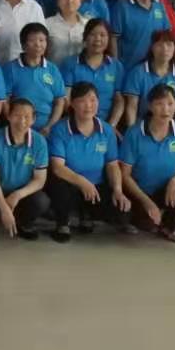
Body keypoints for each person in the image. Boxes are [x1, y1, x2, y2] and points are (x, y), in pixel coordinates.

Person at [47, 82, 133, 240]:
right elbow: (58, 167)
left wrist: (118, 190)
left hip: (96, 185)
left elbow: (112, 165)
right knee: (58, 185)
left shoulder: (106, 130)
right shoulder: (60, 129)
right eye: (82, 101)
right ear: (72, 104)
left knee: (121, 212)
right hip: (70, 184)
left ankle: (87, 215)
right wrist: (83, 182)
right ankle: (62, 223)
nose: (88, 105)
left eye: (93, 100)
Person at [118, 85, 175, 243]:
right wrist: (146, 202)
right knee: (142, 222)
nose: (165, 109)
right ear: (150, 106)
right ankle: (137, 219)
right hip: (138, 192)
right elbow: (125, 175)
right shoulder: (134, 133)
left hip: (166, 190)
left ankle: (168, 227)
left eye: (170, 104)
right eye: (159, 104)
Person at [0, 97, 51, 240]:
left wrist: (17, 195)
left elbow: (40, 180)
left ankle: (24, 223)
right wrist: (4, 209)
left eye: (27, 117)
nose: (22, 121)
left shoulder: (39, 142)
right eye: (17, 115)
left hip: (22, 192)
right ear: (8, 116)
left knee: (41, 202)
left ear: (33, 119)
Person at [118, 29, 175, 129]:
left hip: (169, 126)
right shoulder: (137, 72)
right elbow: (132, 106)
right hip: (143, 125)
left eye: (169, 45)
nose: (165, 49)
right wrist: (133, 132)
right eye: (160, 45)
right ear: (152, 47)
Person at [4, 22, 66, 134]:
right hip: (18, 126)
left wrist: (49, 126)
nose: (38, 44)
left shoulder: (52, 69)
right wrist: (15, 124)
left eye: (42, 40)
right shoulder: (10, 68)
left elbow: (59, 102)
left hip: (47, 128)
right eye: (32, 40)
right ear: (23, 45)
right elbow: (5, 101)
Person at [64, 18, 123, 129]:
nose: (97, 39)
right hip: (76, 122)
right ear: (85, 37)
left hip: (106, 124)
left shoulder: (116, 66)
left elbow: (119, 100)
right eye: (92, 34)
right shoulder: (70, 64)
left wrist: (111, 126)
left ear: (109, 39)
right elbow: (66, 99)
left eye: (102, 35)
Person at [109, 0, 170, 69]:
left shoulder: (159, 6)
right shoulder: (122, 7)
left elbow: (166, 37)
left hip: (153, 72)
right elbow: (113, 39)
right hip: (128, 71)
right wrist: (115, 68)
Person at [45, 0, 88, 65]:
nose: (69, 1)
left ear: (80, 1)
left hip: (81, 71)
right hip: (55, 71)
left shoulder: (88, 24)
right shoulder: (47, 24)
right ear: (58, 2)